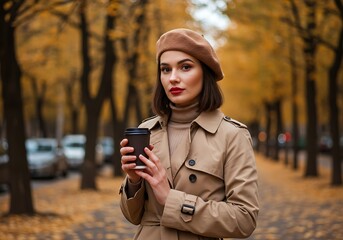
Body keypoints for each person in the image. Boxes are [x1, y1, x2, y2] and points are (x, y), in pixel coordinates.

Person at [119, 28, 259, 240]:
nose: (173, 78)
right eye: (165, 70)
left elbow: (244, 219)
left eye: (185, 67)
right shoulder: (147, 131)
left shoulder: (231, 135)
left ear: (205, 73)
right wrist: (133, 181)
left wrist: (171, 199)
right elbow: (133, 217)